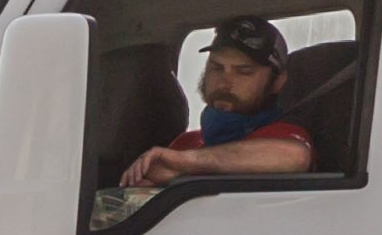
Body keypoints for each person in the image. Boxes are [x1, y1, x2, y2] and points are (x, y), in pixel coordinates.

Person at [117, 18, 318, 198]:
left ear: (277, 83)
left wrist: (184, 165)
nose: (225, 82)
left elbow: (294, 157)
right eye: (216, 67)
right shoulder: (187, 142)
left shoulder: (281, 135)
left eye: (244, 71)